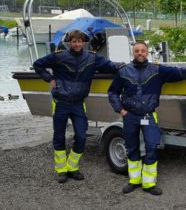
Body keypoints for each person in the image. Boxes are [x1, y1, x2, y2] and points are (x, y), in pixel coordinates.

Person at [108, 41, 186, 196]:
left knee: (152, 146)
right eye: (136, 51)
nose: (140, 53)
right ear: (133, 53)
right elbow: (113, 92)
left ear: (147, 52)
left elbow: (179, 73)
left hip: (148, 115)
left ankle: (149, 183)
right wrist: (121, 110)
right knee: (131, 147)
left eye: (143, 50)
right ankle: (134, 180)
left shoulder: (157, 70)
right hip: (130, 116)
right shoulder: (123, 71)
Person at [33, 29, 123, 183]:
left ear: (84, 42)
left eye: (79, 41)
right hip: (60, 103)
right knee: (59, 137)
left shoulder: (92, 58)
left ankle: (72, 167)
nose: (77, 44)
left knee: (81, 136)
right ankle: (61, 170)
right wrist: (50, 79)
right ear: (70, 42)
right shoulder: (59, 56)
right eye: (74, 41)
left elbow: (109, 65)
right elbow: (37, 65)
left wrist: (122, 66)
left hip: (78, 104)